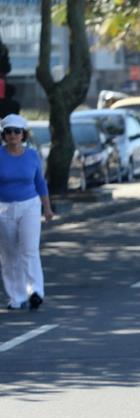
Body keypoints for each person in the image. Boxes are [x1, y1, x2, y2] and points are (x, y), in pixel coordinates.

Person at [0, 114, 54, 310]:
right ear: (4, 135)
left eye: (17, 131)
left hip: (30, 206)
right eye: (8, 132)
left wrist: (47, 207)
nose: (13, 135)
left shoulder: (32, 155)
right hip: (3, 208)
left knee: (29, 250)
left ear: (23, 134)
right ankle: (16, 296)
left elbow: (40, 182)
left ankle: (36, 292)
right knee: (9, 254)